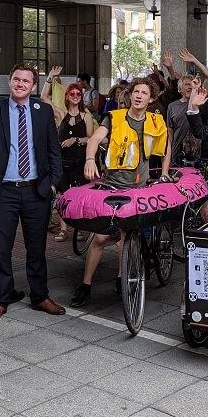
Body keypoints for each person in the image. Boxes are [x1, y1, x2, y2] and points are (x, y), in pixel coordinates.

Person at [71, 78, 172, 307]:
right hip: (113, 184)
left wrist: (164, 173)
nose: (139, 96)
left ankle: (121, 279)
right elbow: (95, 139)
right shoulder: (114, 117)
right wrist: (89, 159)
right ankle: (86, 285)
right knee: (100, 237)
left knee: (126, 237)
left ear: (150, 98)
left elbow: (166, 147)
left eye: (144, 93)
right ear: (130, 95)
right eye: (136, 91)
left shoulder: (156, 121)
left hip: (139, 187)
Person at [0, 64, 65, 324]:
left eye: (26, 81)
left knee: (36, 247)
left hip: (35, 191)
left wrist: (51, 184)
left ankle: (40, 296)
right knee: (1, 248)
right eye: (16, 79)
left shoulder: (43, 112)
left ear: (33, 86)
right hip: (3, 191)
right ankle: (0, 299)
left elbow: (53, 151)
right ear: (9, 81)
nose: (20, 84)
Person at [41, 66, 95, 241]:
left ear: (81, 97)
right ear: (66, 96)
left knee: (81, 193)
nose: (75, 96)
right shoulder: (61, 113)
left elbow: (91, 137)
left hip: (79, 159)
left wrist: (77, 140)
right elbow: (43, 98)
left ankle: (81, 228)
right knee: (62, 194)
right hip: (62, 160)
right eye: (71, 94)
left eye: (78, 94)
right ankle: (64, 229)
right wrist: (49, 77)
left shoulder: (85, 115)